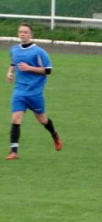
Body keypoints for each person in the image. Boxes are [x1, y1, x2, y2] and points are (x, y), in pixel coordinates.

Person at [5, 23, 62, 160]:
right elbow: (14, 63)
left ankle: (54, 134)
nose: (22, 34)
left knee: (42, 120)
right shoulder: (14, 50)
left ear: (31, 34)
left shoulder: (39, 52)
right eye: (20, 32)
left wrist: (30, 68)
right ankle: (14, 151)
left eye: (25, 32)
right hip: (19, 91)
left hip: (34, 93)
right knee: (16, 118)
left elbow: (48, 70)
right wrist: (10, 72)